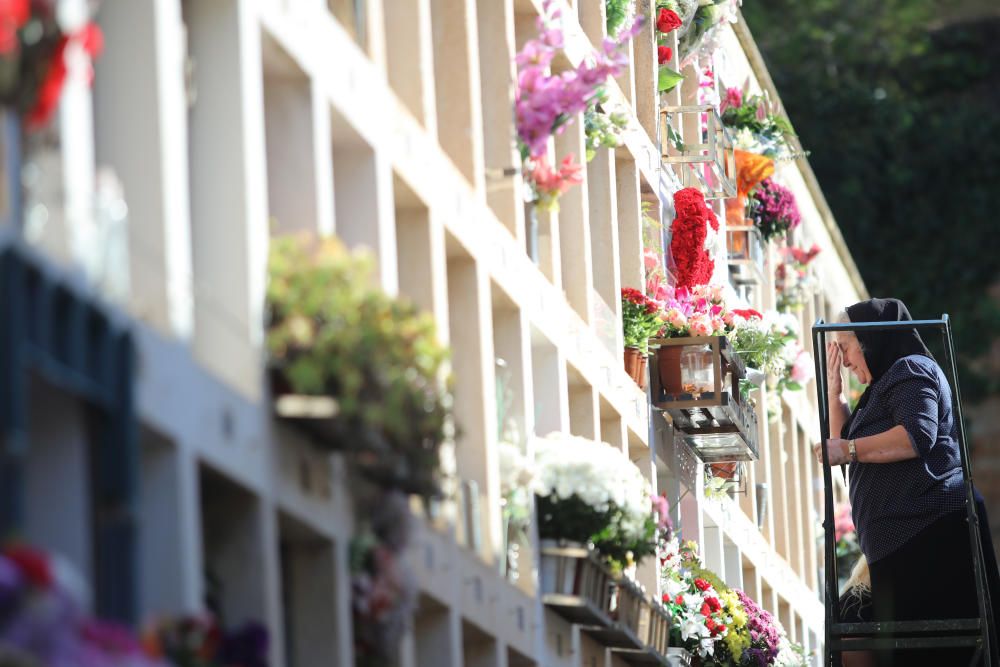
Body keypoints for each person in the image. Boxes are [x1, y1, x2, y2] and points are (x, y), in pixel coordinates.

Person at [813, 298, 1000, 666]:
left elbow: (916, 435)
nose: (845, 359)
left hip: (929, 533)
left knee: (884, 638)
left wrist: (848, 449)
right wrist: (834, 393)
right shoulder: (879, 391)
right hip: (900, 545)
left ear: (871, 341)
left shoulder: (910, 369)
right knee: (852, 627)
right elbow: (847, 440)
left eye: (846, 348)